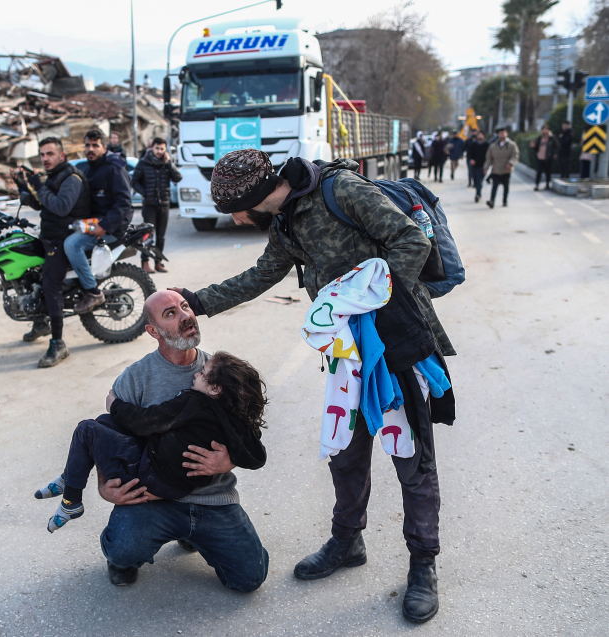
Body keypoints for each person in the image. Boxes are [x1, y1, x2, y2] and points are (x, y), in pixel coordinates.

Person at [171, 149, 455, 623]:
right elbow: (261, 275)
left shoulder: (341, 191)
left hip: (397, 346)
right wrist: (195, 302)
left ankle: (423, 565)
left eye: (235, 210)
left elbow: (410, 241)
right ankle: (347, 540)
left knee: (412, 459)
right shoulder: (285, 222)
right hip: (347, 355)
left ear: (253, 197)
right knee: (345, 450)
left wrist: (370, 306)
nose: (237, 220)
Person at [95, 289, 269, 591]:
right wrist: (103, 485)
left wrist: (229, 459)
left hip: (213, 499)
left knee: (250, 577)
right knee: (124, 550)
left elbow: (250, 435)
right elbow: (108, 432)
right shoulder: (135, 378)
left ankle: (194, 534)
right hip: (153, 497)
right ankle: (125, 546)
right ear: (153, 331)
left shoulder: (218, 372)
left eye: (185, 306)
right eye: (170, 313)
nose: (185, 315)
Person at [35, 350, 267, 532]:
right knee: (105, 423)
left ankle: (71, 499)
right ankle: (70, 475)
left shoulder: (195, 402)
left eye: (202, 373)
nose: (195, 374)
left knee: (86, 429)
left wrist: (115, 404)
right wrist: (232, 459)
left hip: (151, 476)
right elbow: (258, 456)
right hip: (174, 479)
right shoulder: (233, 417)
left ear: (215, 388)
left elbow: (148, 421)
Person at [12, 137, 92, 368]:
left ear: (61, 156)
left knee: (50, 284)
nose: (45, 158)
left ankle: (58, 343)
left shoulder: (71, 178)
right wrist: (22, 185)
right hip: (49, 236)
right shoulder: (55, 176)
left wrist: (38, 186)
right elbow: (40, 204)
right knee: (32, 276)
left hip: (63, 239)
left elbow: (60, 206)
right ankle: (41, 322)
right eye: (42, 154)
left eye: (50, 154)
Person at [68, 129, 133, 314]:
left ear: (104, 148)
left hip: (112, 227)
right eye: (87, 145)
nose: (90, 149)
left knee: (72, 245)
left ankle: (92, 292)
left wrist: (104, 226)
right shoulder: (87, 168)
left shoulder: (114, 168)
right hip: (93, 223)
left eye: (95, 145)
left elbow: (124, 203)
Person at [132, 137, 182, 273]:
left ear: (165, 150)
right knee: (148, 235)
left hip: (164, 204)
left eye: (161, 149)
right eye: (157, 148)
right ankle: (145, 263)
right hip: (149, 205)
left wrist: (169, 164)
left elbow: (178, 178)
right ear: (152, 148)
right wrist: (145, 193)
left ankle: (158, 263)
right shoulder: (143, 163)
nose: (159, 151)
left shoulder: (166, 164)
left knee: (161, 236)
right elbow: (134, 181)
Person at [483, 127, 519, 208]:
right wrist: (486, 168)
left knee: (506, 186)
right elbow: (489, 158)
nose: (501, 135)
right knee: (494, 186)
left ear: (506, 134)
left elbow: (515, 155)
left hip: (506, 170)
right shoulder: (493, 146)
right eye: (500, 133)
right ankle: (492, 201)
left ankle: (504, 200)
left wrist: (510, 163)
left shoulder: (511, 145)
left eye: (503, 133)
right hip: (496, 170)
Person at [530, 124, 559, 191]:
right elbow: (537, 148)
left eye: (545, 129)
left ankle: (547, 185)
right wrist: (533, 147)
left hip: (548, 158)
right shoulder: (540, 138)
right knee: (539, 171)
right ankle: (537, 185)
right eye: (542, 129)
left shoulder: (551, 138)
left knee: (548, 172)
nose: (544, 131)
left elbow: (556, 146)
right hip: (540, 157)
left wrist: (554, 154)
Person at [466, 130, 489, 203]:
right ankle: (478, 191)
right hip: (474, 166)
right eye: (479, 135)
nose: (480, 136)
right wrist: (471, 160)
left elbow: (489, 156)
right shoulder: (473, 145)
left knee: (479, 180)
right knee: (475, 180)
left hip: (482, 165)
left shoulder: (486, 145)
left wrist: (487, 165)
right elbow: (469, 154)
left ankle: (478, 194)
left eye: (481, 135)